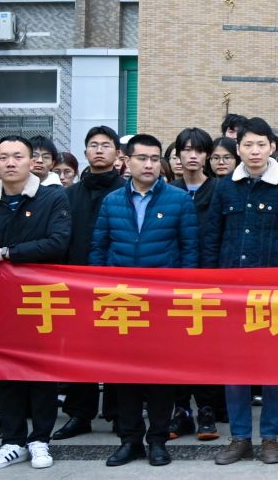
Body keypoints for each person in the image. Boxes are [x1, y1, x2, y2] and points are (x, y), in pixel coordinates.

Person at [89, 134, 198, 467]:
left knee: (160, 376)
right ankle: (130, 440)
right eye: (142, 158)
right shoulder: (111, 202)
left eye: (154, 158)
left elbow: (190, 252)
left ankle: (158, 440)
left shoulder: (179, 200)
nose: (148, 164)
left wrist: (182, 295)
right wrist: (97, 290)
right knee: (124, 375)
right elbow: (99, 249)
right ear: (127, 161)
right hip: (121, 301)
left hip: (163, 302)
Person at [202, 117, 278, 465]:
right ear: (238, 148)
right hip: (232, 293)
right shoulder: (224, 187)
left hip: (274, 295)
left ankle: (271, 438)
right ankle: (240, 437)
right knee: (235, 370)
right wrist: (213, 286)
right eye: (248, 145)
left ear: (273, 147)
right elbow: (212, 238)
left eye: (261, 144)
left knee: (273, 369)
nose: (255, 151)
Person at [0, 135, 72, 471]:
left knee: (42, 373)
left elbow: (58, 243)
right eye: (3, 157)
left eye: (18, 156)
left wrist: (8, 253)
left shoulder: (53, 199)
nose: (10, 163)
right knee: (5, 373)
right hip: (1, 306)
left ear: (32, 162)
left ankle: (40, 440)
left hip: (42, 301)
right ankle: (12, 441)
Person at [53, 125, 125, 442]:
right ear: (85, 153)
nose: (99, 150)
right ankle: (80, 414)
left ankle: (118, 413)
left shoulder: (127, 192)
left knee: (118, 351)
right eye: (93, 145)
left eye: (105, 145)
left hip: (118, 285)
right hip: (78, 284)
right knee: (80, 350)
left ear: (117, 154)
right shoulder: (69, 195)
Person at [166, 127, 223, 443]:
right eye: (186, 150)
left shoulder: (220, 191)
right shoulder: (168, 191)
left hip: (209, 281)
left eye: (198, 150)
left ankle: (207, 410)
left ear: (207, 156)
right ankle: (181, 410)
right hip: (172, 282)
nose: (192, 156)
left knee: (206, 350)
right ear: (177, 155)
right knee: (175, 350)